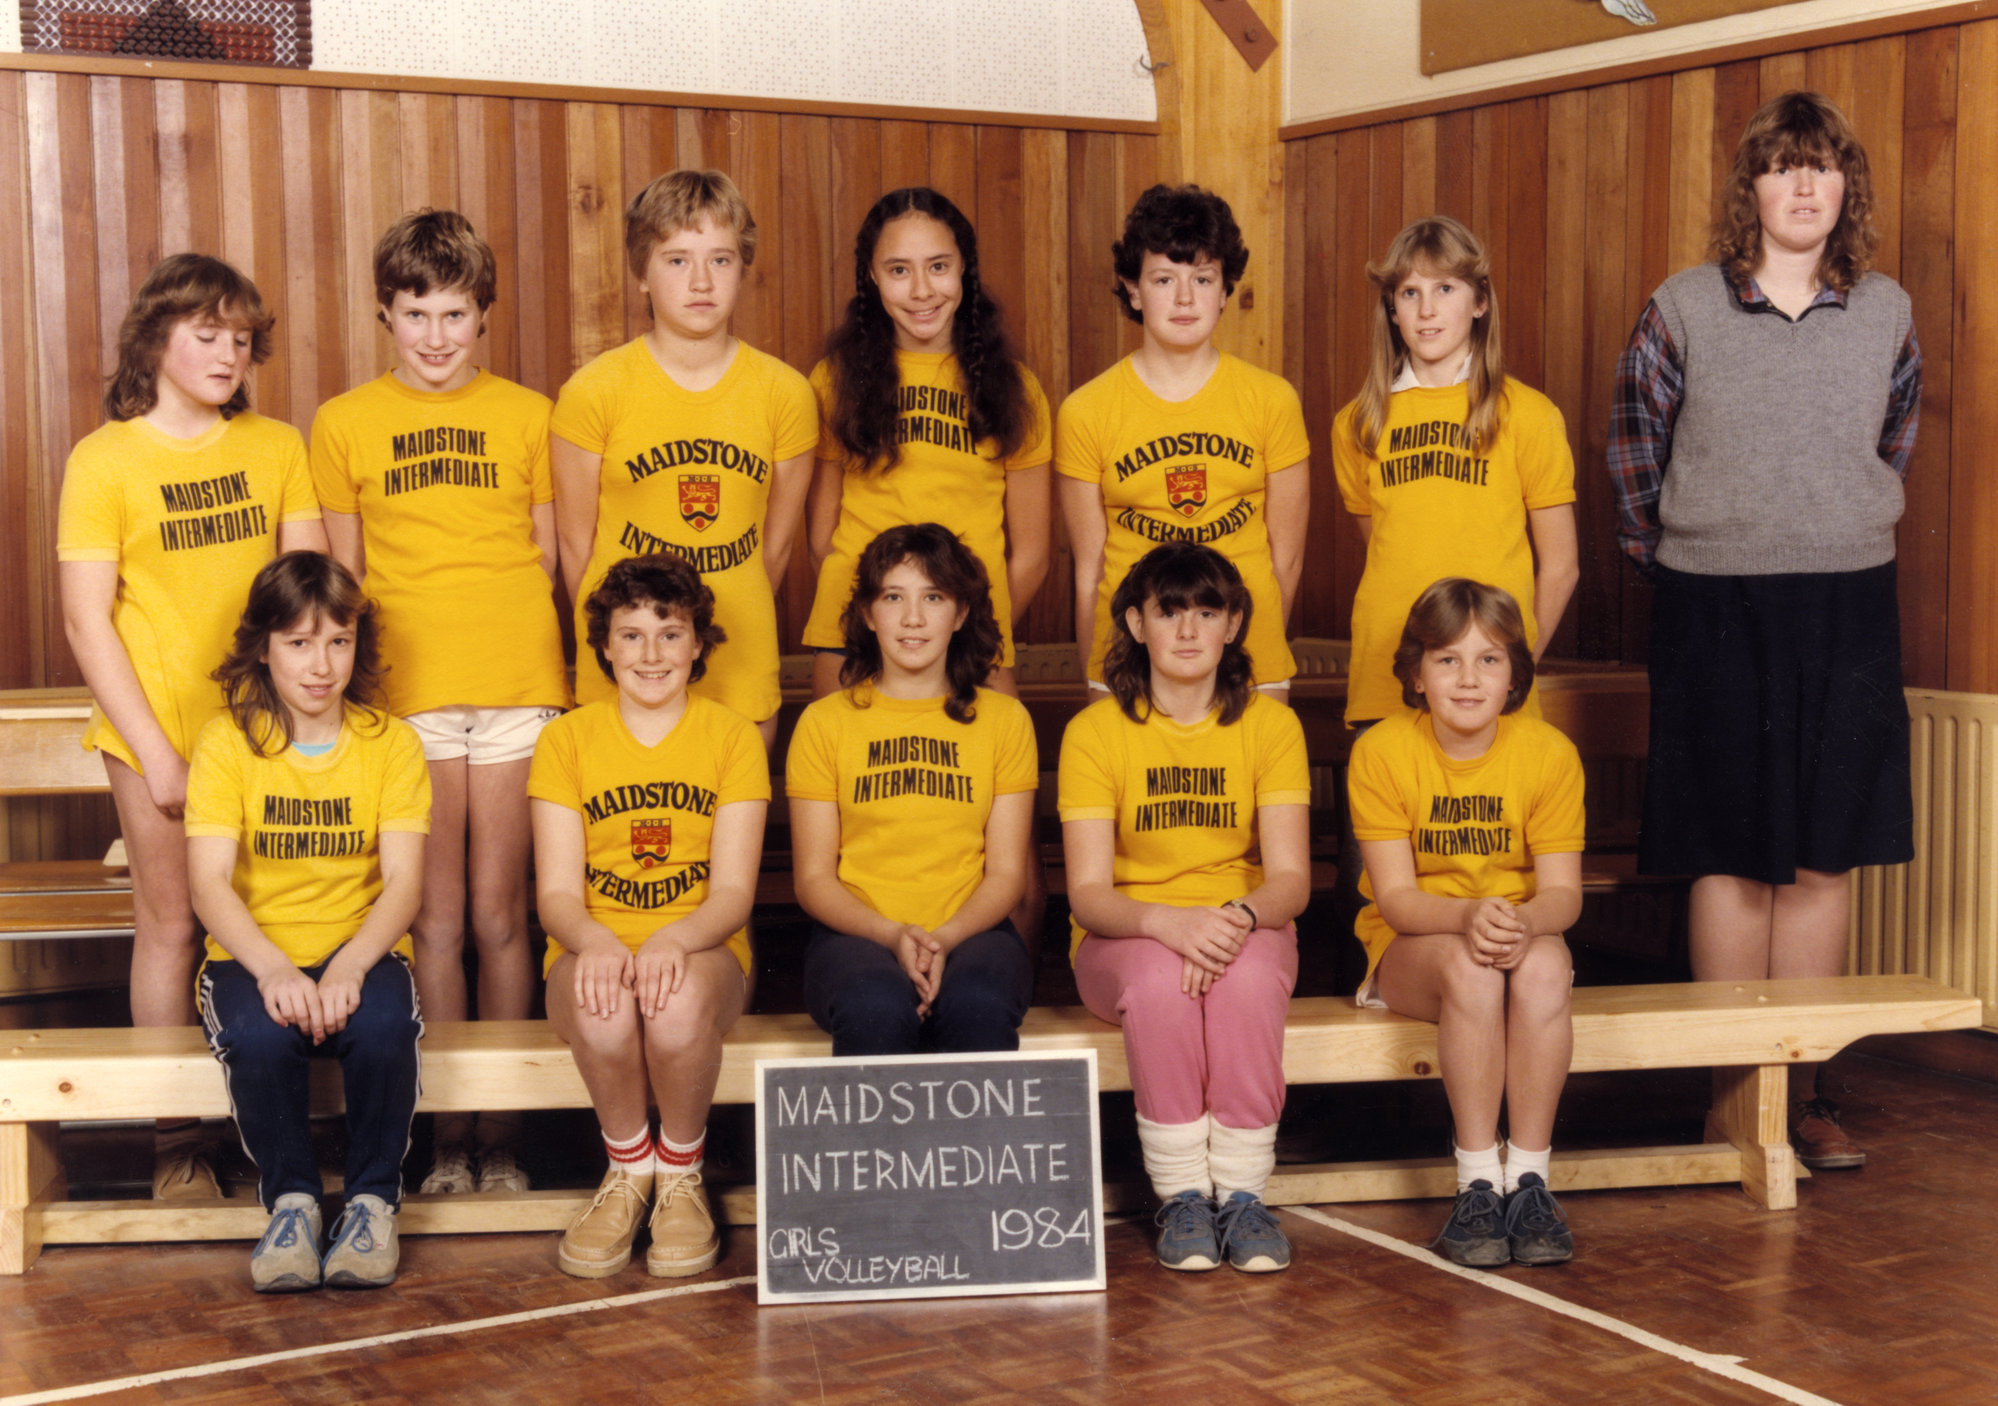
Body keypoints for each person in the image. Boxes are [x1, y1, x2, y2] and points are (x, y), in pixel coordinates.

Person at [1609, 90, 1920, 1171]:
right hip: (1713, 599)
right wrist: (1699, 552)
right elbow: (1636, 452)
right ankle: (1734, 1090)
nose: (1803, 186)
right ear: (1750, 189)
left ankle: (1803, 1088)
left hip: (1846, 599)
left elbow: (1893, 436)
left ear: (1846, 189)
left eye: (1823, 168)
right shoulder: (1684, 305)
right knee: (1731, 856)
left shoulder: (1885, 308)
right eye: (1783, 167)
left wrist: (1824, 522)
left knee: (1822, 853)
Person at [56, 253, 327, 1199]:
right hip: (157, 730)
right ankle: (177, 1143)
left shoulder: (277, 445)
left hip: (264, 731)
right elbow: (88, 620)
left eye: (242, 339)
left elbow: (310, 594)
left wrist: (303, 723)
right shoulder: (106, 458)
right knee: (172, 927)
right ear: (155, 339)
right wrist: (161, 751)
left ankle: (273, 1127)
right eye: (207, 334)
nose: (228, 354)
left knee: (270, 924)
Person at [312, 208, 567, 1196]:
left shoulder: (531, 415)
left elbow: (546, 554)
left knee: (506, 914)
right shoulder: (344, 422)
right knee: (436, 916)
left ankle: (500, 1128)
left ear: (483, 316)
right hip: (407, 693)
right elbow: (348, 569)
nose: (434, 336)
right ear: (385, 313)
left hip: (515, 685)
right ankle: (444, 1128)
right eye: (415, 313)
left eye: (454, 314)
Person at [1057, 542, 1310, 1274]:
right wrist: (1168, 923)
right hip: (1126, 934)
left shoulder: (1270, 726)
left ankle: (1242, 1195)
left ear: (1233, 624)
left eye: (1208, 612)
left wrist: (1233, 920)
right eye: (1171, 612)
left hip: (1242, 921)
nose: (1190, 629)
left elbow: (1290, 879)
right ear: (1137, 623)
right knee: (1164, 985)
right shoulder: (1095, 733)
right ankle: (1181, 1197)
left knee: (1250, 982)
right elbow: (1089, 893)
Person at [184, 552, 430, 1292]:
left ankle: (369, 1206)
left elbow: (406, 883)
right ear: (264, 646)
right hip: (254, 954)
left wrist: (352, 964)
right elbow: (207, 883)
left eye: (338, 641)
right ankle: (291, 1203)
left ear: (359, 645)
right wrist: (275, 969)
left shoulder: (392, 743)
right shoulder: (228, 743)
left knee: (386, 1028)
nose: (320, 664)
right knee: (259, 1035)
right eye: (298, 642)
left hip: (361, 945)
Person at [529, 554, 769, 1278]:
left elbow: (732, 895)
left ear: (699, 644)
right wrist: (598, 941)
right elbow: (556, 897)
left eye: (670, 633)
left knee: (670, 1005)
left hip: (704, 951)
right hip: (589, 946)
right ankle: (629, 1172)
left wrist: (672, 938)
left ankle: (682, 1175)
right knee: (605, 1008)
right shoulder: (568, 740)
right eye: (631, 635)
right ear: (603, 645)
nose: (651, 653)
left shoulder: (730, 737)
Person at [1347, 579, 1585, 1267]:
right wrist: (1469, 917)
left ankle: (1531, 1181)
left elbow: (1563, 896)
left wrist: (1523, 921)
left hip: (1518, 931)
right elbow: (1395, 899)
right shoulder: (1385, 750)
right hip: (1415, 943)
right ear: (1416, 675)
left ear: (1515, 677)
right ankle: (1477, 1181)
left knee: (1543, 969)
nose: (1469, 678)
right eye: (1447, 659)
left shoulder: (1547, 753)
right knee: (1470, 969)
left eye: (1490, 659)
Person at [552, 169, 816, 749]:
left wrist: (722, 610)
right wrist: (623, 639)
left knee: (730, 831)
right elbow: (577, 547)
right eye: (677, 260)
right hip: (628, 663)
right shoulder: (594, 392)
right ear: (642, 272)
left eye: (720, 260)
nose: (701, 281)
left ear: (743, 268)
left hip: (739, 654)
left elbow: (773, 549)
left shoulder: (786, 394)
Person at [788, 524, 1039, 1055]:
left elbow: (1008, 874)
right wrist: (891, 937)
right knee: (873, 1006)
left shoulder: (1004, 720)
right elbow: (813, 879)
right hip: (855, 934)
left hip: (974, 930)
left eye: (934, 598)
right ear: (867, 612)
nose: (913, 619)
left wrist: (942, 940)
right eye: (893, 597)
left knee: (979, 1004)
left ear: (962, 613)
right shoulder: (823, 722)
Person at [1056, 184, 1309, 699]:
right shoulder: (1086, 410)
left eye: (1203, 277)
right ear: (1132, 289)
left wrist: (1245, 645)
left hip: (1250, 660)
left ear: (1225, 289)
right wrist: (1096, 673)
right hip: (1129, 659)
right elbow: (1091, 566)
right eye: (1164, 278)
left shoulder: (1272, 399)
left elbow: (1285, 560)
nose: (1186, 297)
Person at [803, 187, 1051, 701]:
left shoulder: (1015, 388)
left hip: (972, 636)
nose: (921, 290)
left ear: (965, 270)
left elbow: (1031, 552)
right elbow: (821, 538)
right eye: (898, 270)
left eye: (938, 266)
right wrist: (873, 615)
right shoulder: (834, 381)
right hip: (854, 636)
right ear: (872, 277)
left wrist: (966, 624)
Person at [1333, 215, 1578, 724]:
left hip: (1487, 681)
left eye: (1445, 288)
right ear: (1391, 308)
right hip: (1386, 674)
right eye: (1408, 293)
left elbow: (1561, 566)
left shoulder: (1528, 415)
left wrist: (1509, 662)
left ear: (1480, 301)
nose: (1426, 310)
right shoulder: (1356, 425)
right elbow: (1387, 547)